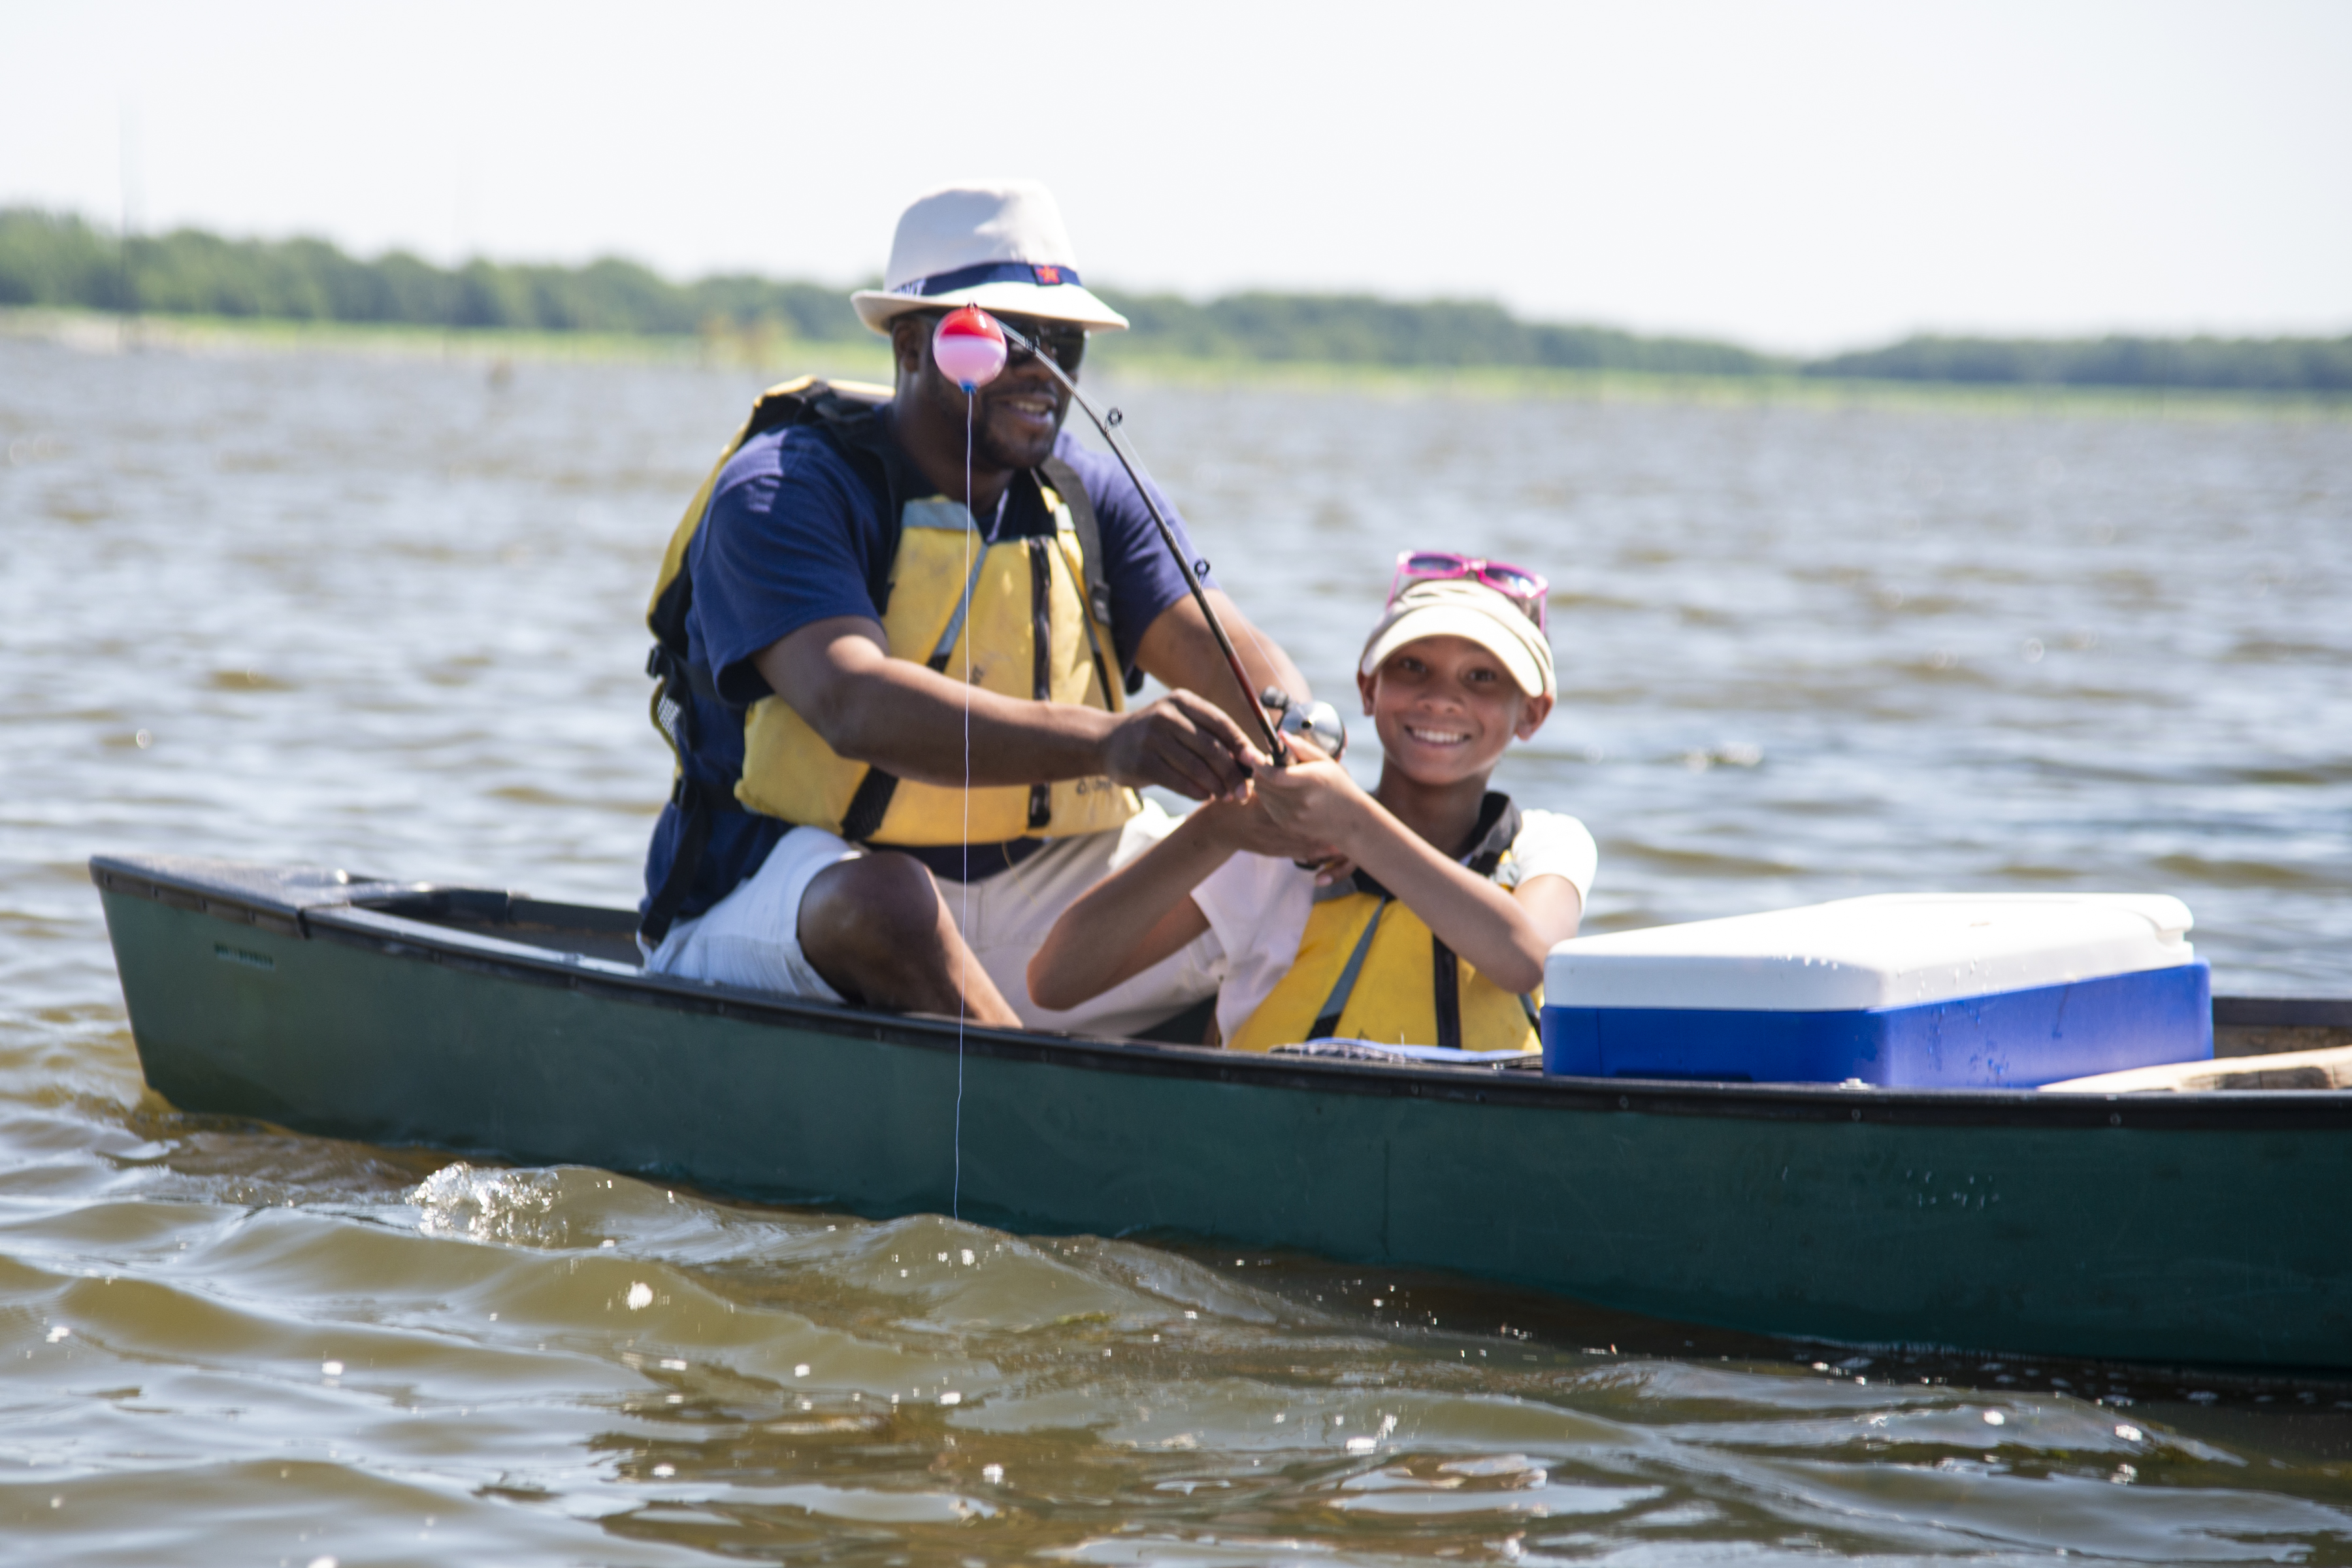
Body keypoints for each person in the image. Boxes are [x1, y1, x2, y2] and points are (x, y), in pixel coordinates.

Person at [637, 181, 1309, 1034]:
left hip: (1032, 915)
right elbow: (853, 702)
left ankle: (1221, 1099)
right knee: (892, 900)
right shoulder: (782, 490)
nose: (1045, 368)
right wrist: (1117, 743)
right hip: (800, 903)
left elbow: (1228, 653)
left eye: (1065, 340)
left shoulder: (1090, 493)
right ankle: (1033, 1112)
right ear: (914, 346)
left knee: (1298, 851)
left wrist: (1301, 730)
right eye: (1008, 339)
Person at [1028, 557, 1594, 1053]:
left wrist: (1353, 825)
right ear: (1367, 688)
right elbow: (1055, 981)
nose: (1441, 698)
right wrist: (1217, 830)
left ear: (1533, 714)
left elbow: (1526, 957)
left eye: (1482, 677)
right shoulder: (1275, 848)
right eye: (1412, 666)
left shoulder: (1549, 843)